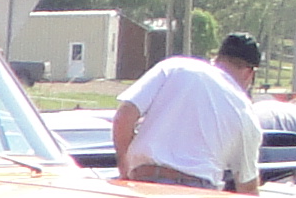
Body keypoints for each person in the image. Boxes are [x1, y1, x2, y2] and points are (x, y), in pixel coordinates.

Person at [111, 32, 265, 190]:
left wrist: (125, 166)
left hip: (143, 181)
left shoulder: (175, 67)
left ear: (217, 59)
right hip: (196, 192)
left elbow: (123, 117)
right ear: (249, 73)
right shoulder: (245, 111)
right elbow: (247, 185)